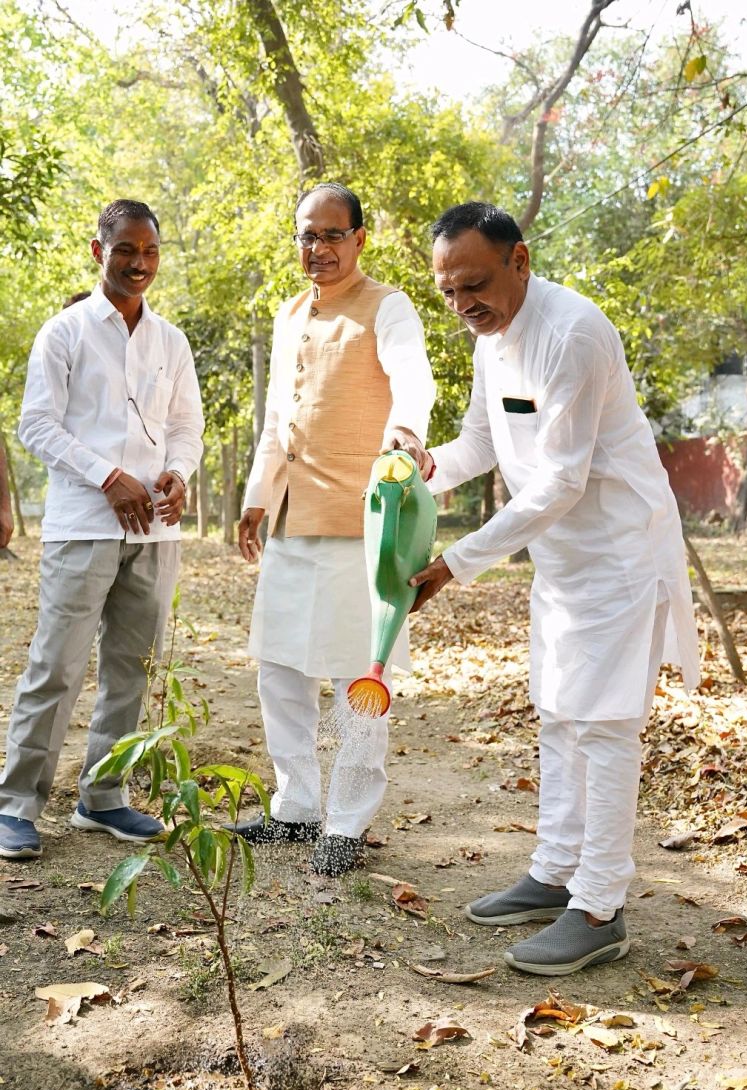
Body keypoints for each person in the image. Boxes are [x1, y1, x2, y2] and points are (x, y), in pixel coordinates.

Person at [409, 201, 699, 975]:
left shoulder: (573, 333)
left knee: (602, 725)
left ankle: (600, 906)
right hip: (562, 560)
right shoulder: (488, 337)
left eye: (474, 284)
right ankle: (555, 870)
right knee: (558, 713)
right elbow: (481, 440)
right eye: (447, 292)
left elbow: (561, 481)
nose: (463, 303)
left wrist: (453, 564)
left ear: (521, 261)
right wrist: (421, 467)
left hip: (618, 551)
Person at [232, 182, 435, 876]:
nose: (317, 249)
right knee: (281, 670)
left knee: (359, 676)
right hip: (293, 519)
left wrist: (404, 436)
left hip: (362, 520)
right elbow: (275, 420)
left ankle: (347, 822)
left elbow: (414, 378)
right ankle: (296, 809)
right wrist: (257, 498)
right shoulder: (289, 314)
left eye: (330, 235)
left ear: (359, 239)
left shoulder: (388, 307)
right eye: (306, 236)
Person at [0, 199, 204, 860]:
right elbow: (36, 424)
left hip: (155, 535)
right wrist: (106, 476)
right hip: (83, 526)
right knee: (55, 666)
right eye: (125, 251)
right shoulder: (63, 333)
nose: (139, 264)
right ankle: (16, 805)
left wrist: (178, 474)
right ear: (99, 252)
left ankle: (104, 797)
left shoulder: (171, 341)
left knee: (131, 670)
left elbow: (185, 428)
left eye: (149, 252)